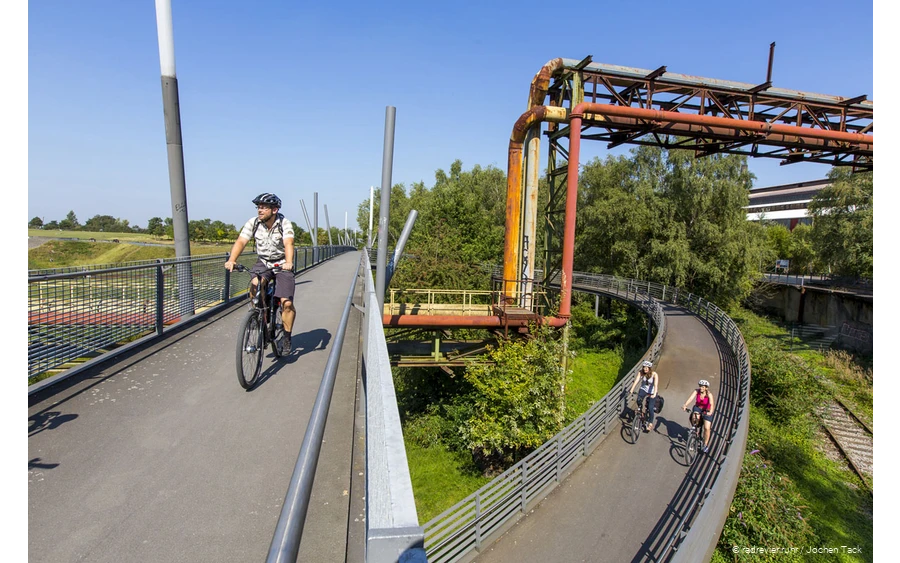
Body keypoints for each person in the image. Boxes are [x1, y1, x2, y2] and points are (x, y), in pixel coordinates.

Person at [224, 193, 296, 353]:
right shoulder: (253, 223)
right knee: (255, 286)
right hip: (263, 261)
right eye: (258, 207)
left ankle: (286, 338)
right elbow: (241, 241)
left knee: (287, 304)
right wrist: (232, 259)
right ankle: (261, 316)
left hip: (282, 262)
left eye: (264, 207)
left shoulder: (284, 223)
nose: (260, 210)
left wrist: (289, 262)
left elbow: (288, 243)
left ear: (275, 210)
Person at [682, 379, 715, 453]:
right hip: (698, 408)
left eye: (703, 387)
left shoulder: (709, 394)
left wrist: (710, 412)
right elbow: (691, 398)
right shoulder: (696, 391)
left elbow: (712, 404)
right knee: (695, 416)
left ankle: (705, 445)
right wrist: (685, 405)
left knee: (707, 428)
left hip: (707, 410)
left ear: (706, 388)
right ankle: (694, 429)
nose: (701, 388)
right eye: (700, 386)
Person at [629, 360, 659, 432]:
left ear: (649, 368)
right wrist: (631, 389)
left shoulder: (654, 374)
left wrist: (654, 394)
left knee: (650, 407)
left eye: (647, 368)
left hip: (652, 392)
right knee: (639, 400)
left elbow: (655, 385)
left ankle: (650, 423)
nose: (645, 369)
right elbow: (636, 381)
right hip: (644, 390)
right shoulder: (641, 373)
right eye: (644, 367)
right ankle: (641, 412)